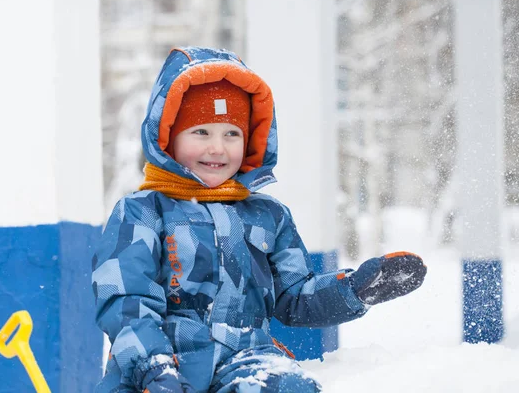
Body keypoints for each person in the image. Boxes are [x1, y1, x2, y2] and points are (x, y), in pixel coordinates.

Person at [92, 46, 427, 393]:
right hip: (156, 365)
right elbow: (126, 298)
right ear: (167, 137)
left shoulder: (268, 215)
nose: (217, 148)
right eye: (201, 132)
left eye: (231, 134)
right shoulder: (143, 211)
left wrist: (354, 290)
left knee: (289, 387)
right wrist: (152, 365)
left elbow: (295, 295)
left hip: (246, 361)